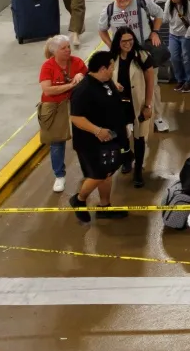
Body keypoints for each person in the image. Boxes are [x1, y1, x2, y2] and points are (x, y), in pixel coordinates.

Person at [66, 49, 130, 222]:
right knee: (98, 174)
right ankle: (79, 199)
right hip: (90, 143)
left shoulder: (106, 82)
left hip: (109, 139)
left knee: (107, 173)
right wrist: (97, 130)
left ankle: (104, 206)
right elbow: (75, 118)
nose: (113, 70)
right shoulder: (83, 90)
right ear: (103, 68)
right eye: (111, 67)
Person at [108, 26, 160, 187]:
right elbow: (105, 77)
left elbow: (150, 82)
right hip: (118, 105)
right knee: (120, 136)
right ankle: (126, 158)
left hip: (138, 104)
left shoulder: (142, 56)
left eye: (130, 40)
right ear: (118, 42)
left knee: (139, 137)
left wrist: (148, 105)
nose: (128, 44)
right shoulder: (112, 58)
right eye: (124, 41)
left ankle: (138, 170)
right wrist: (113, 84)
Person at [37, 34, 86, 192]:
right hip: (55, 106)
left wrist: (82, 77)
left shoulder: (77, 62)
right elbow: (48, 90)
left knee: (82, 137)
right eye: (63, 48)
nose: (68, 50)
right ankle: (59, 175)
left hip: (75, 104)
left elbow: (90, 80)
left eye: (68, 47)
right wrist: (72, 84)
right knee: (57, 142)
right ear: (55, 52)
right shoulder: (48, 67)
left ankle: (87, 169)